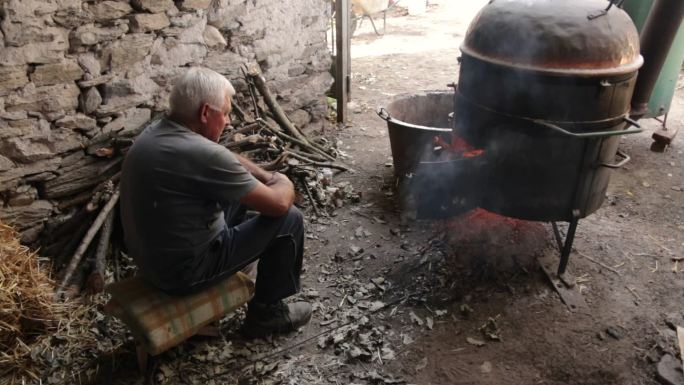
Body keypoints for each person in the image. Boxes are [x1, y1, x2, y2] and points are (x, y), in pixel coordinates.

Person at [119, 67, 311, 338]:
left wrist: (264, 175)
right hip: (183, 275)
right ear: (206, 113)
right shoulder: (199, 153)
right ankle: (267, 314)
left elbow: (221, 156)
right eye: (226, 112)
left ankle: (244, 251)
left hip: (153, 261)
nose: (230, 121)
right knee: (290, 219)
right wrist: (282, 180)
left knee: (241, 193)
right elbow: (279, 204)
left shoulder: (158, 132)